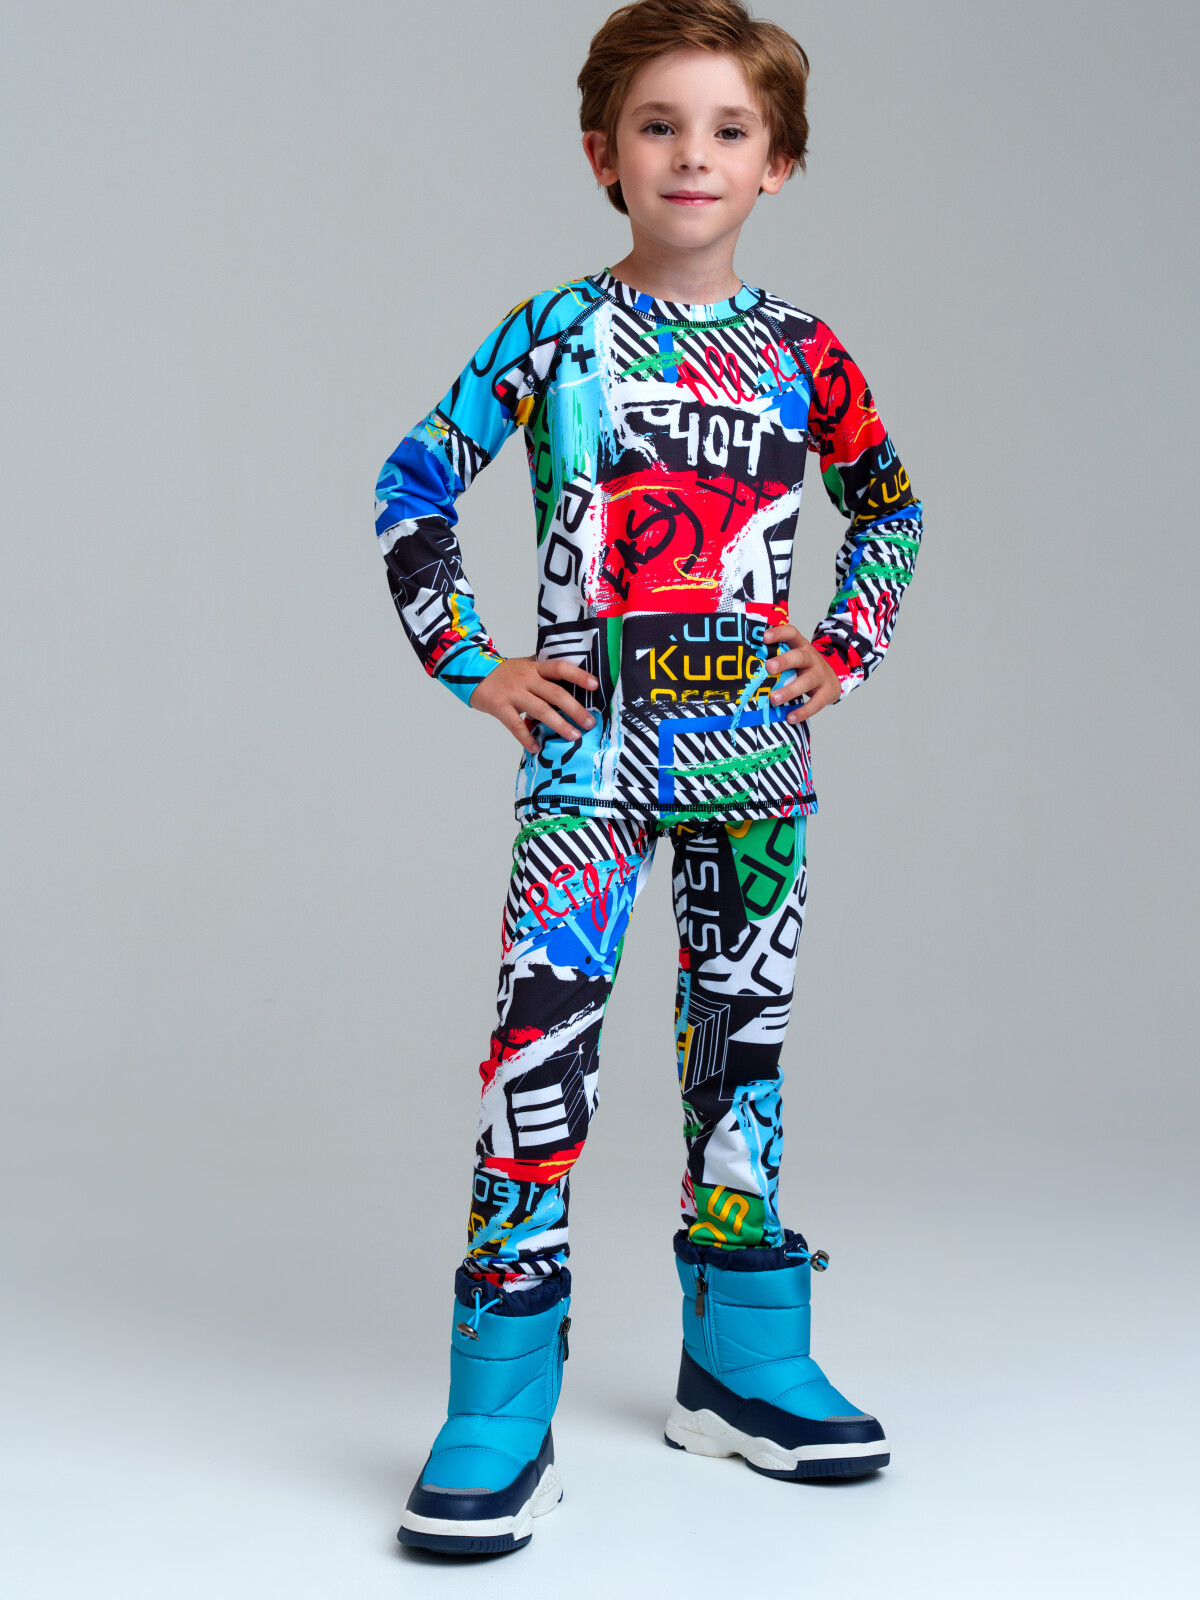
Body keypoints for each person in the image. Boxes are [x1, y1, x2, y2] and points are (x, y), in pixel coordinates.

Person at [377, 0, 922, 1556]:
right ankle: (501, 1401)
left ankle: (741, 1365)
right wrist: (473, 660)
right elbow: (414, 484)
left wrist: (845, 648)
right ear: (601, 154)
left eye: (729, 130)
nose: (694, 155)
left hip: (758, 773)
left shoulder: (805, 352)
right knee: (536, 1063)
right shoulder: (549, 334)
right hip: (587, 773)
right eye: (660, 126)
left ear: (779, 163)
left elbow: (889, 507)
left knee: (740, 1060)